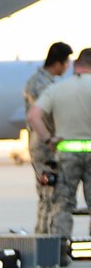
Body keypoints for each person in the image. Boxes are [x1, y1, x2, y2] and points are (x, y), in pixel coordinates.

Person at [30, 47, 91, 246]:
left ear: (75, 65)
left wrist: (48, 140)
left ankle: (60, 249)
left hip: (67, 153)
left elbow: (34, 116)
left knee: (62, 203)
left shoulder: (56, 89)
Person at [25, 43, 72, 237]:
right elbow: (44, 114)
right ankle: (43, 237)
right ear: (59, 62)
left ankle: (47, 236)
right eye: (67, 61)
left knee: (51, 193)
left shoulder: (48, 82)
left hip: (49, 144)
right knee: (47, 193)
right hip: (44, 145)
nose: (68, 66)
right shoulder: (39, 84)